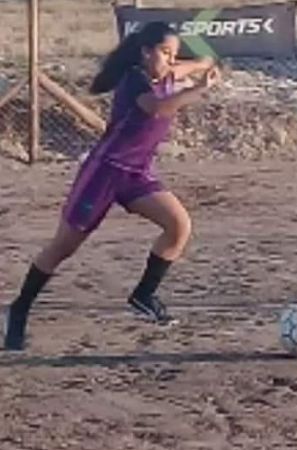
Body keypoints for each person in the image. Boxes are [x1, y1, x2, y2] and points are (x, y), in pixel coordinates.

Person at [3, 21, 221, 351]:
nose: (170, 61)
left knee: (179, 226)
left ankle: (143, 295)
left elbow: (181, 68)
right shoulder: (135, 79)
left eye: (173, 54)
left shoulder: (164, 72)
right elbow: (160, 108)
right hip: (103, 174)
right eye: (165, 53)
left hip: (136, 173)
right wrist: (200, 87)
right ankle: (18, 311)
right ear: (146, 53)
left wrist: (204, 63)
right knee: (63, 248)